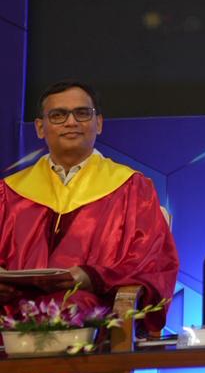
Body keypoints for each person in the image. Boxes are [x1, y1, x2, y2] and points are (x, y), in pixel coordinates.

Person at [0, 81, 177, 338]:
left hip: (95, 317)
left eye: (82, 113)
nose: (71, 122)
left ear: (99, 123)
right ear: (40, 127)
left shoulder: (131, 188)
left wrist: (93, 277)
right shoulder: (9, 193)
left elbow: (151, 262)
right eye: (58, 115)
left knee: (71, 307)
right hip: (12, 315)